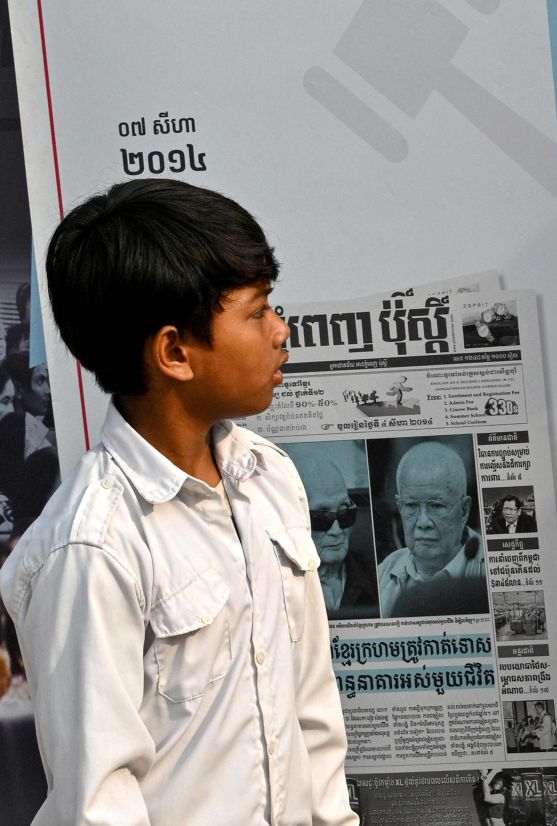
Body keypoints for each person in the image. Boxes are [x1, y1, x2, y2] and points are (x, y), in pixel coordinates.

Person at [0, 179, 356, 825]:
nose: (282, 331)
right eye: (257, 311)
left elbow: (312, 714)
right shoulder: (93, 546)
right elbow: (98, 804)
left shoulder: (268, 478)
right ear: (173, 352)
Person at [377, 440, 486, 617]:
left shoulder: (492, 571)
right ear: (399, 506)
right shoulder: (383, 573)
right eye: (411, 506)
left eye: (437, 506)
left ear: (464, 510)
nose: (423, 522)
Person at [291, 452, 378, 620]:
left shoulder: (376, 574)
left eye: (345, 513)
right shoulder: (279, 585)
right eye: (322, 518)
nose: (337, 530)